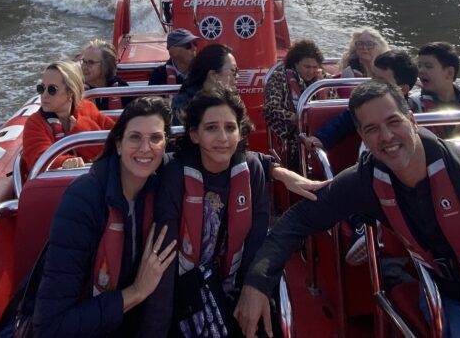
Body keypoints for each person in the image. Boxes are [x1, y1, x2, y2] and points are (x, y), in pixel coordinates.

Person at [234, 81, 460, 338]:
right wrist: (256, 282)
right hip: (458, 303)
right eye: (372, 129)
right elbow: (297, 220)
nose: (386, 137)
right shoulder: (366, 181)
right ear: (362, 138)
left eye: (393, 122)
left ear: (413, 121)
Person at [140, 88, 327, 337]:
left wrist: (254, 290)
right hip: (185, 291)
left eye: (230, 128)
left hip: (236, 285)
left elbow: (256, 244)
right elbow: (164, 262)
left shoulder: (252, 171)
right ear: (194, 134)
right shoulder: (174, 175)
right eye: (211, 128)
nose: (223, 137)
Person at [31, 97, 179, 338]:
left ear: (165, 146)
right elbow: (50, 327)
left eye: (155, 138)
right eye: (135, 137)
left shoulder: (164, 186)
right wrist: (137, 292)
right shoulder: (82, 202)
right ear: (118, 145)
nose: (145, 148)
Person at [23, 60, 116, 172]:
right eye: (41, 88)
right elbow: (39, 159)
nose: (44, 95)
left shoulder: (87, 108)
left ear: (70, 93)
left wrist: (80, 130)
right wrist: (65, 162)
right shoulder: (34, 123)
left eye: (52, 89)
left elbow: (115, 137)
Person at [262, 39, 325, 170]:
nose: (311, 71)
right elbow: (271, 109)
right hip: (290, 137)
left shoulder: (323, 81)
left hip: (320, 133)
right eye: (307, 67)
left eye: (315, 67)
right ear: (295, 64)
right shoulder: (279, 77)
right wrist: (298, 119)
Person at [171, 43, 239, 124]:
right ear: (213, 75)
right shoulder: (182, 107)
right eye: (233, 71)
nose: (237, 76)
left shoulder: (232, 102)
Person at [81, 39, 132, 111]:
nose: (84, 67)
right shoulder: (77, 89)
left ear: (106, 65)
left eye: (91, 62)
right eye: (84, 61)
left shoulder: (122, 89)